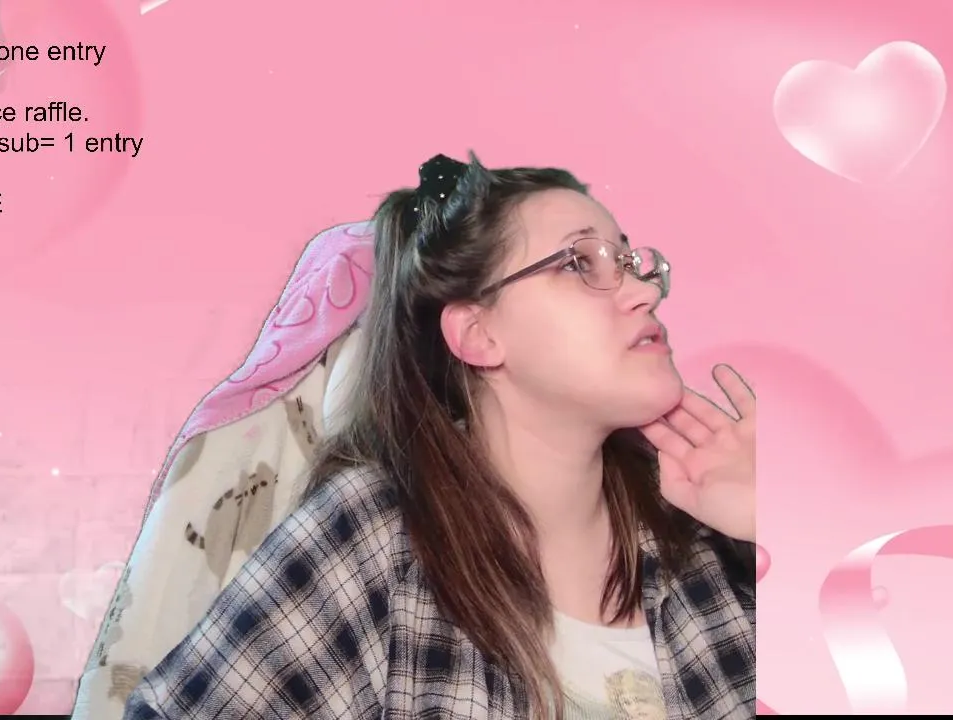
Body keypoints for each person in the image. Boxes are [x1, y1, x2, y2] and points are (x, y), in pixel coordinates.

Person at [122, 152, 756, 720]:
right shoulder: (371, 535)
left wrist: (771, 532)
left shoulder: (712, 532)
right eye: (579, 263)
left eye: (631, 262)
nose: (643, 292)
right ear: (478, 335)